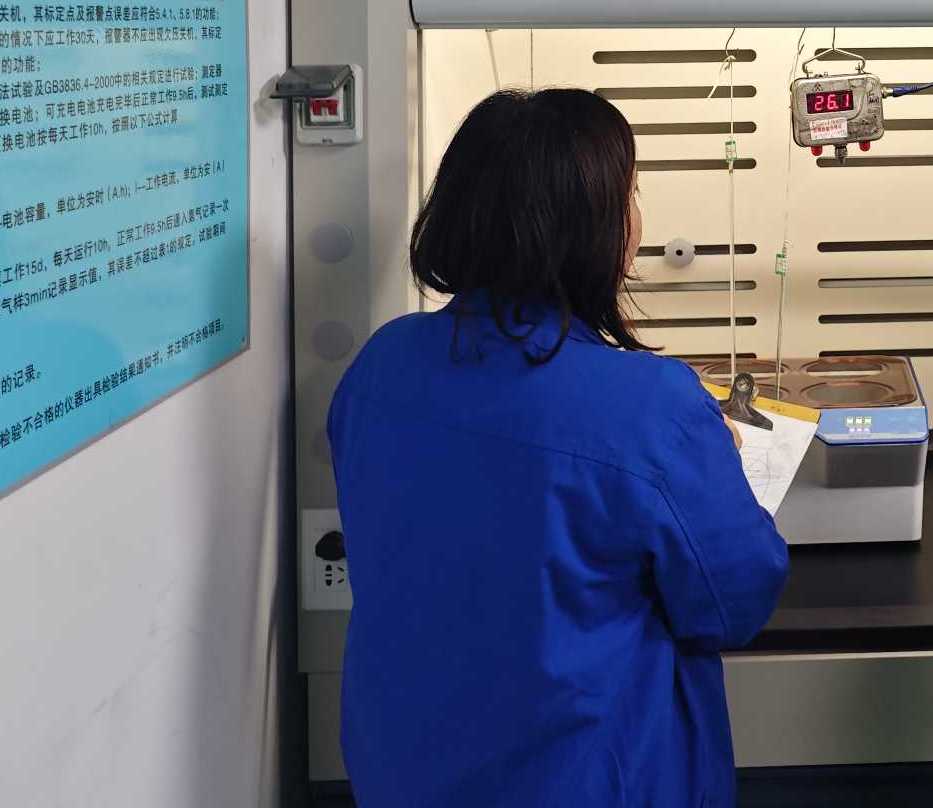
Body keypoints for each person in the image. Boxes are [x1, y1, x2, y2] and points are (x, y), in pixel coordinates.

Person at [328, 88, 789, 807]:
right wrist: (712, 458)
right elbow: (734, 601)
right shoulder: (652, 408)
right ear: (596, 228)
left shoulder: (380, 366)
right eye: (629, 197)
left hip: (402, 769)